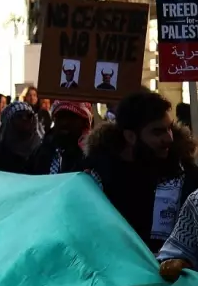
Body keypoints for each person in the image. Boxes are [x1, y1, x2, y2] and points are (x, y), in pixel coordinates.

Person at [85, 90, 198, 254]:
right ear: (130, 136)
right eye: (157, 132)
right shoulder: (98, 178)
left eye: (169, 128)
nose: (169, 138)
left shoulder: (184, 174)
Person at [25, 101, 92, 175]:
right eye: (60, 117)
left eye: (71, 117)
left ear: (83, 122)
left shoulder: (90, 156)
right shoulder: (41, 151)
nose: (64, 122)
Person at [0, 101, 40, 174]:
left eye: (29, 116)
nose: (25, 119)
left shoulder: (42, 153)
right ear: (9, 123)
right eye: (19, 116)